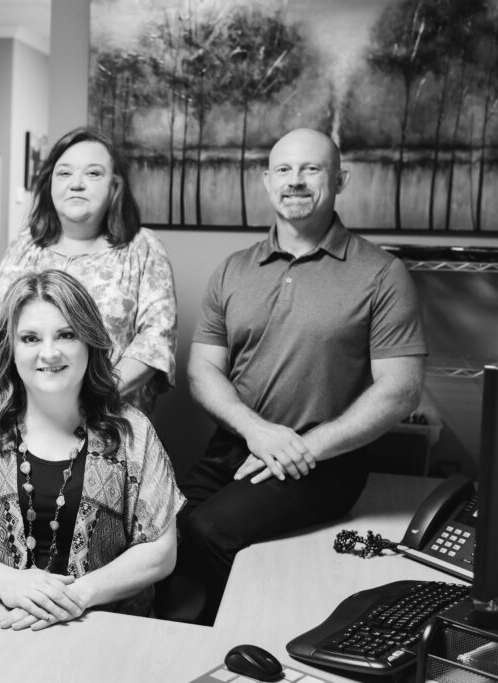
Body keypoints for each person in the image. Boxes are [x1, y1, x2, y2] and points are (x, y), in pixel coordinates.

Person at [179, 128, 427, 623]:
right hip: (235, 445)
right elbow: (202, 368)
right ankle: (209, 637)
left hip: (324, 460)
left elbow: (401, 390)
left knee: (210, 531)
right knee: (163, 534)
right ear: (267, 182)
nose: (296, 181)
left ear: (339, 180)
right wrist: (255, 431)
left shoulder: (380, 274)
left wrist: (303, 448)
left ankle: (268, 644)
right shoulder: (233, 270)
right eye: (285, 170)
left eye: (311, 169)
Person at [0, 270, 184, 629]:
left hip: (99, 626)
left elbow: (161, 551)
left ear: (89, 342)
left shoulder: (132, 431)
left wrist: (73, 598)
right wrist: (8, 583)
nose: (49, 353)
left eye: (66, 335)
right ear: (10, 349)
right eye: (30, 338)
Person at [0, 128, 177, 416]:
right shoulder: (24, 245)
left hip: (109, 417)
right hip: (27, 418)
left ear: (115, 186)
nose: (76, 184)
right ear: (49, 183)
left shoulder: (141, 248)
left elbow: (156, 341)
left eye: (93, 174)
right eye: (64, 173)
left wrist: (92, 398)